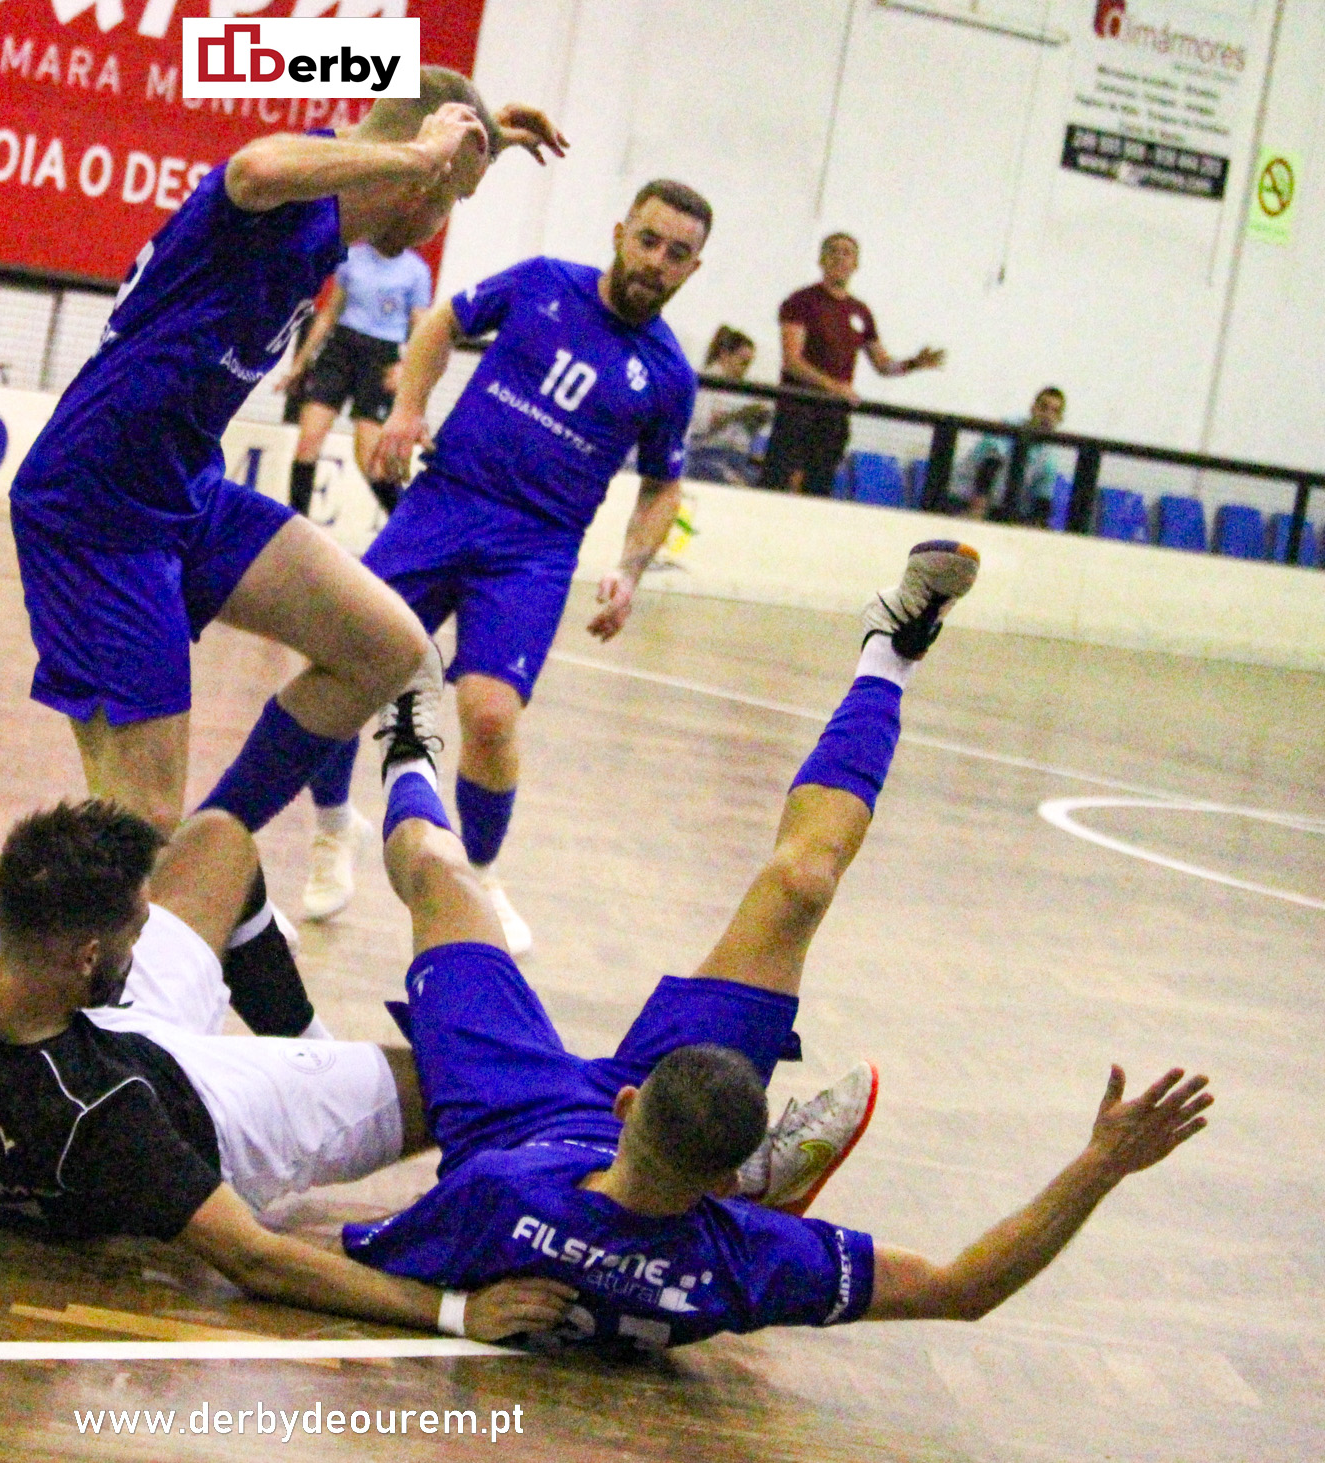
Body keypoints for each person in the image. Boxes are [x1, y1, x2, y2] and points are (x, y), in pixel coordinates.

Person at [339, 541, 1214, 1354]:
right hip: (612, 1146)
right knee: (802, 886)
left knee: (438, 874)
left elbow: (299, 1261)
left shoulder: (496, 1201)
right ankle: (889, 653)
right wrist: (1100, 1166)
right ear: (730, 1181)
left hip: (506, 1112)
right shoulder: (746, 1255)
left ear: (629, 1103)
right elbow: (962, 1288)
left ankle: (407, 744)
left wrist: (451, 1311)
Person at [0, 797, 576, 1342]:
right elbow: (257, 1260)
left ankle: (310, 1034)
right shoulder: (104, 1114)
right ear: (90, 953)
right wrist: (455, 1311)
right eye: (133, 929)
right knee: (472, 1083)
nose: (142, 931)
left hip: (104, 1023)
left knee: (220, 839)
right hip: (217, 1114)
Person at [6, 68, 567, 837]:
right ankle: (45, 948)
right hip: (96, 506)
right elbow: (253, 167)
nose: (444, 219)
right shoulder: (288, 195)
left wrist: (484, 137)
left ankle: (218, 846)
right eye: (453, 197)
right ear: (420, 175)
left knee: (389, 647)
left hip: (185, 492)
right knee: (138, 820)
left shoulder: (334, 228)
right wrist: (421, 154)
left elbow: (386, 132)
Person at [295, 180, 708, 953]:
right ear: (621, 232)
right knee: (345, 658)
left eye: (677, 254)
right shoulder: (543, 280)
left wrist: (629, 567)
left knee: (489, 715)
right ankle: (329, 831)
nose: (657, 261)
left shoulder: (670, 375)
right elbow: (442, 323)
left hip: (536, 549)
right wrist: (409, 408)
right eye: (648, 240)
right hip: (444, 501)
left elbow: (662, 483)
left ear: (692, 269)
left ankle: (480, 873)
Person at [760, 234, 945, 497]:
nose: (839, 257)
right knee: (784, 486)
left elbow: (882, 364)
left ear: (856, 264)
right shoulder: (801, 301)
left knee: (819, 489)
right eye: (833, 251)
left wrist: (914, 363)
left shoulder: (860, 312)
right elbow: (792, 361)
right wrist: (834, 387)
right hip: (798, 410)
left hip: (834, 416)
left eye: (847, 252)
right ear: (821, 259)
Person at [279, 241, 434, 519]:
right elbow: (328, 314)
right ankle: (293, 526)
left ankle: (407, 528)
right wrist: (299, 364)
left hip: (381, 357)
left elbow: (422, 330)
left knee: (370, 460)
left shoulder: (416, 271)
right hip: (340, 348)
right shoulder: (353, 257)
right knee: (308, 440)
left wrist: (406, 368)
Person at [951, 387, 1068, 523]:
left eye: (1055, 412)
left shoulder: (1049, 457)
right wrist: (977, 509)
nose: (1047, 415)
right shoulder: (1008, 427)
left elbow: (1042, 499)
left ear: (1060, 418)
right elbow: (989, 466)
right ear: (1033, 409)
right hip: (962, 499)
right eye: (1043, 408)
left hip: (999, 509)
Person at [684, 326, 769, 486]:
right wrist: (734, 416)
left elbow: (750, 435)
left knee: (767, 481)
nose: (745, 368)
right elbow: (698, 428)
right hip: (707, 454)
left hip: (738, 457)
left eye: (749, 363)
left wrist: (757, 419)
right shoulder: (707, 382)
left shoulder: (745, 388)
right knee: (733, 480)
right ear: (725, 355)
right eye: (743, 362)